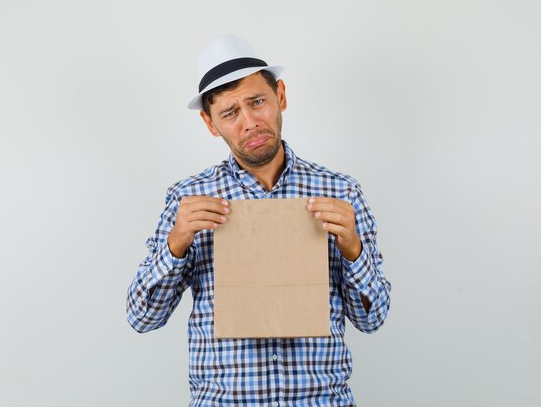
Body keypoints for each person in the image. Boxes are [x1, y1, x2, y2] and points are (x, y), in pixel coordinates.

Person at [126, 35, 391, 407]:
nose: (249, 122)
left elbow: (373, 319)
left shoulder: (340, 192)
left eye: (257, 102)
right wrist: (176, 243)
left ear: (280, 96)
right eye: (230, 113)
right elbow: (142, 318)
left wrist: (353, 250)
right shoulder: (188, 199)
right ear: (210, 122)